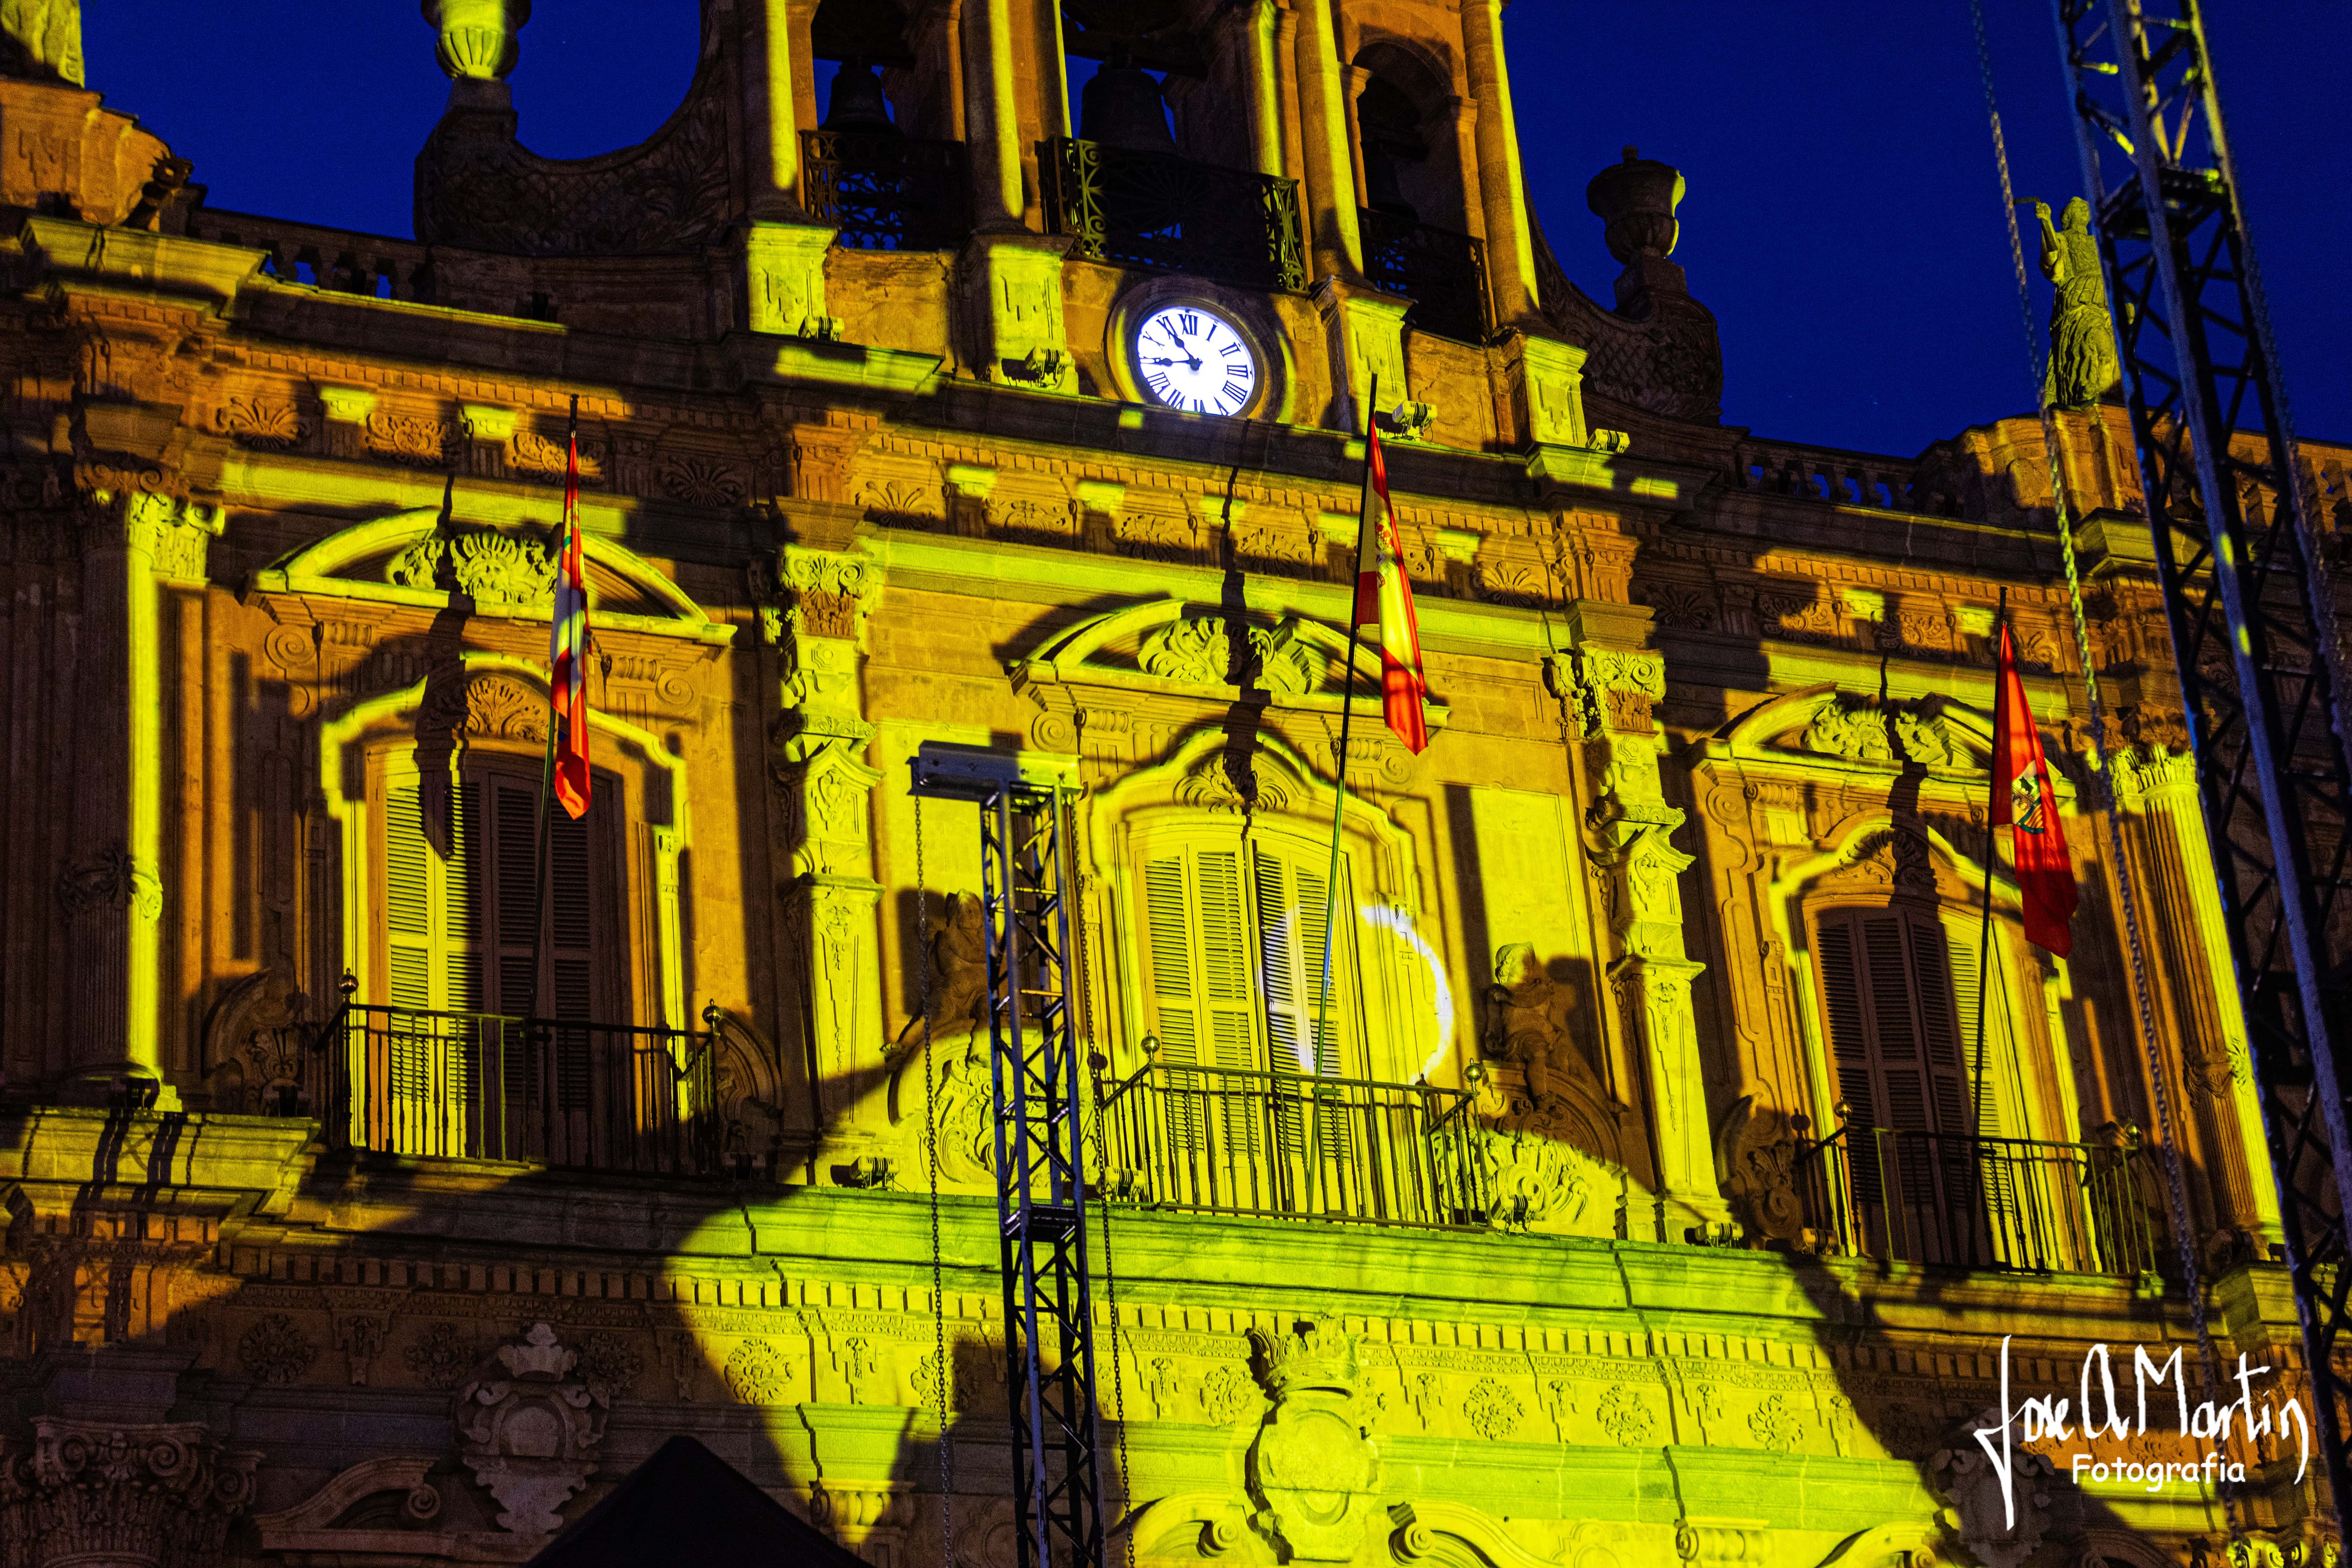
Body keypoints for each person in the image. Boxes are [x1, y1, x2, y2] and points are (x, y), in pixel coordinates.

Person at [2035, 197, 2121, 410]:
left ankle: (2109, 395)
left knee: (2114, 354)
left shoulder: (2097, 244)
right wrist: (2046, 222)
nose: (2085, 212)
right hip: (2078, 307)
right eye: (2079, 209)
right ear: (2069, 217)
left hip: (2104, 307)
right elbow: (2054, 267)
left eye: (2086, 209)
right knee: (2095, 344)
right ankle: (2090, 389)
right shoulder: (2062, 239)